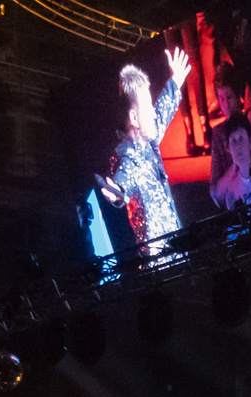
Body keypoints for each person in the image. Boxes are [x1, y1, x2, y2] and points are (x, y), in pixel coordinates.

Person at [99, 45, 193, 249]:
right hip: (159, 259)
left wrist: (175, 81)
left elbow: (162, 112)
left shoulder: (148, 139)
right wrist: (116, 191)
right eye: (147, 107)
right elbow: (123, 179)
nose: (152, 112)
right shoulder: (129, 157)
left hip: (176, 249)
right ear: (134, 118)